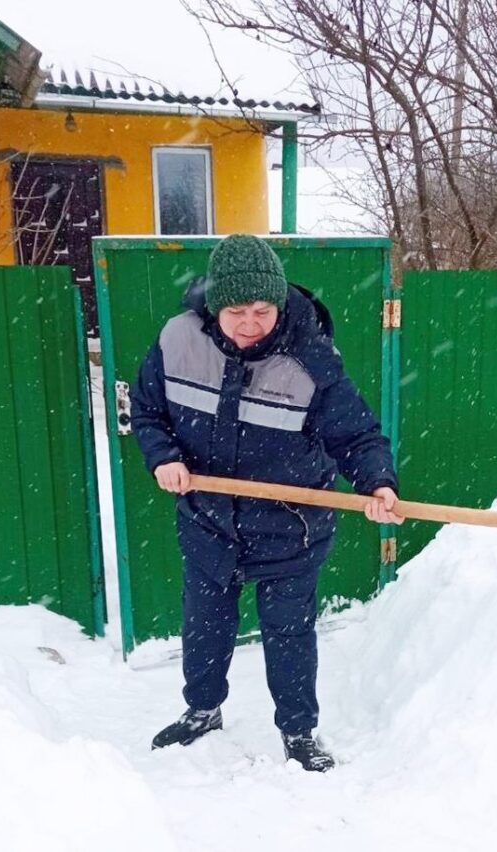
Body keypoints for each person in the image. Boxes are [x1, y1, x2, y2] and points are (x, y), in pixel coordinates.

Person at [129, 234, 401, 772]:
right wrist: (162, 456)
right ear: (214, 305)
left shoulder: (310, 357)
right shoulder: (176, 340)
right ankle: (202, 711)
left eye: (262, 310)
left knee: (288, 633)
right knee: (204, 624)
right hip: (209, 518)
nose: (250, 323)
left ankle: (299, 733)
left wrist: (376, 483)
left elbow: (356, 435)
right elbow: (148, 410)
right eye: (236, 311)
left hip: (291, 525)